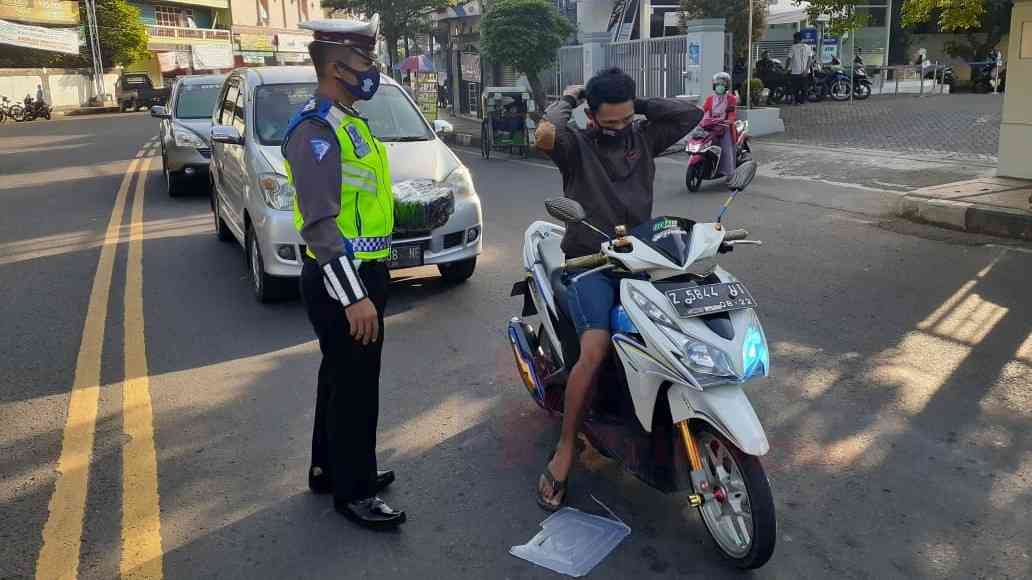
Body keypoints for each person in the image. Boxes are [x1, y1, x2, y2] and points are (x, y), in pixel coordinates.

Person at [533, 67, 702, 511]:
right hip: (590, 264)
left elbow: (691, 115)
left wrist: (636, 105)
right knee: (595, 348)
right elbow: (545, 134)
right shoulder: (576, 146)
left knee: (678, 329)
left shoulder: (642, 137)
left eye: (627, 118)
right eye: (611, 121)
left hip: (642, 258)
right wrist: (570, 98)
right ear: (592, 117)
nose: (621, 127)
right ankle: (565, 449)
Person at [281, 15, 406, 530]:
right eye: (364, 60)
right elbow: (319, 225)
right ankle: (355, 492)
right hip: (342, 281)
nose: (372, 69)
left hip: (360, 273)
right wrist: (355, 297)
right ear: (337, 67)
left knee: (339, 376)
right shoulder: (316, 130)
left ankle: (329, 470)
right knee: (356, 389)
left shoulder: (347, 121)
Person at [700, 72, 738, 179]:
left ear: (726, 86)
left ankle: (730, 174)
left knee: (726, 149)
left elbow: (732, 113)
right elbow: (703, 110)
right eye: (718, 84)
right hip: (711, 126)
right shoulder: (710, 99)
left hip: (724, 127)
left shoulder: (731, 99)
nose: (720, 86)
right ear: (714, 85)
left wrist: (729, 120)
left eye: (722, 84)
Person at [787, 32, 812, 105]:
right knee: (804, 88)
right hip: (805, 72)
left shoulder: (793, 47)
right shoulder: (808, 47)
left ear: (797, 39)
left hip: (795, 71)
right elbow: (810, 59)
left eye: (794, 38)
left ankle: (797, 101)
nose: (793, 40)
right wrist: (806, 70)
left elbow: (788, 59)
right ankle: (802, 101)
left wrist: (786, 68)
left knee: (795, 88)